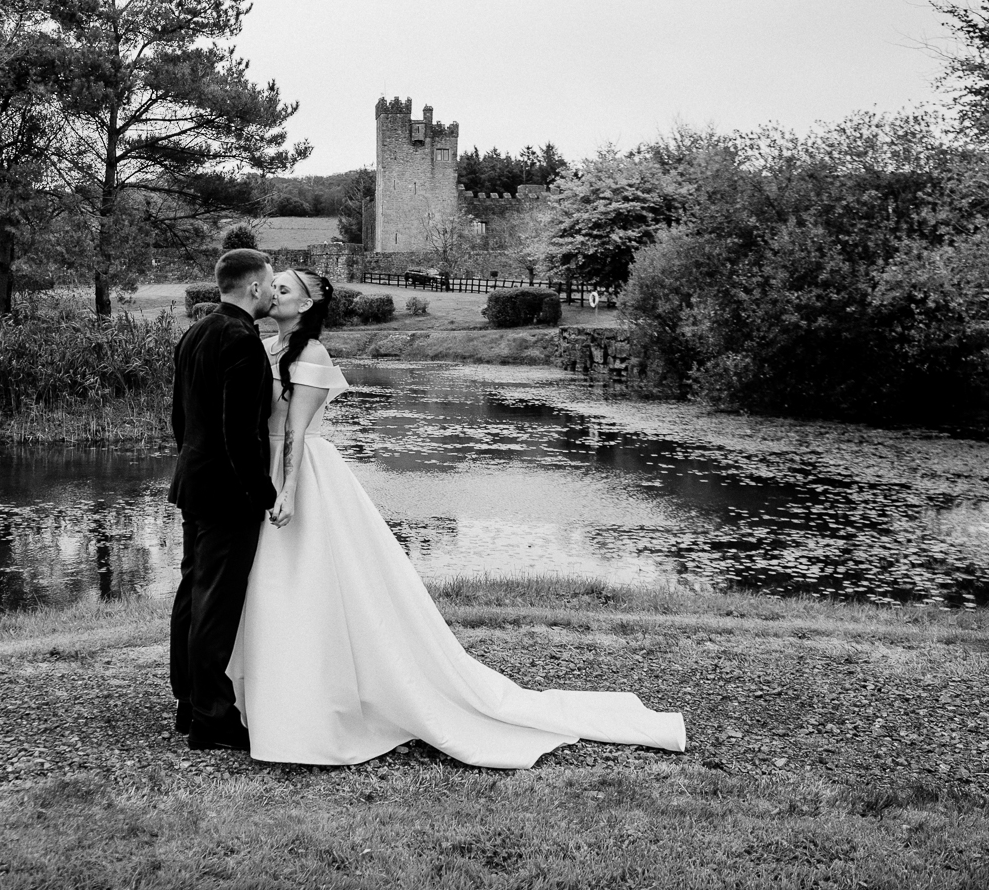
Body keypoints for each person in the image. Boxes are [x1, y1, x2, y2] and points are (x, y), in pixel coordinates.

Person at [227, 269, 688, 768]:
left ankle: (318, 706)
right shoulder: (264, 347)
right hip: (262, 473)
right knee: (272, 587)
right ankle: (271, 696)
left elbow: (296, 432)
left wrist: (288, 491)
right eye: (275, 286)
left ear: (309, 304)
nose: (274, 292)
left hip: (302, 477)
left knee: (305, 584)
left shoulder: (312, 355)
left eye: (285, 289)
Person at [167, 247, 276, 751]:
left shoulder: (196, 332)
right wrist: (262, 492)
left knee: (193, 593)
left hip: (194, 482)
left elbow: (180, 420)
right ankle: (213, 717)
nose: (275, 291)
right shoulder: (242, 340)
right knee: (216, 603)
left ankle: (189, 705)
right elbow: (241, 433)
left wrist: (195, 466)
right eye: (272, 283)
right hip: (229, 493)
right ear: (253, 288)